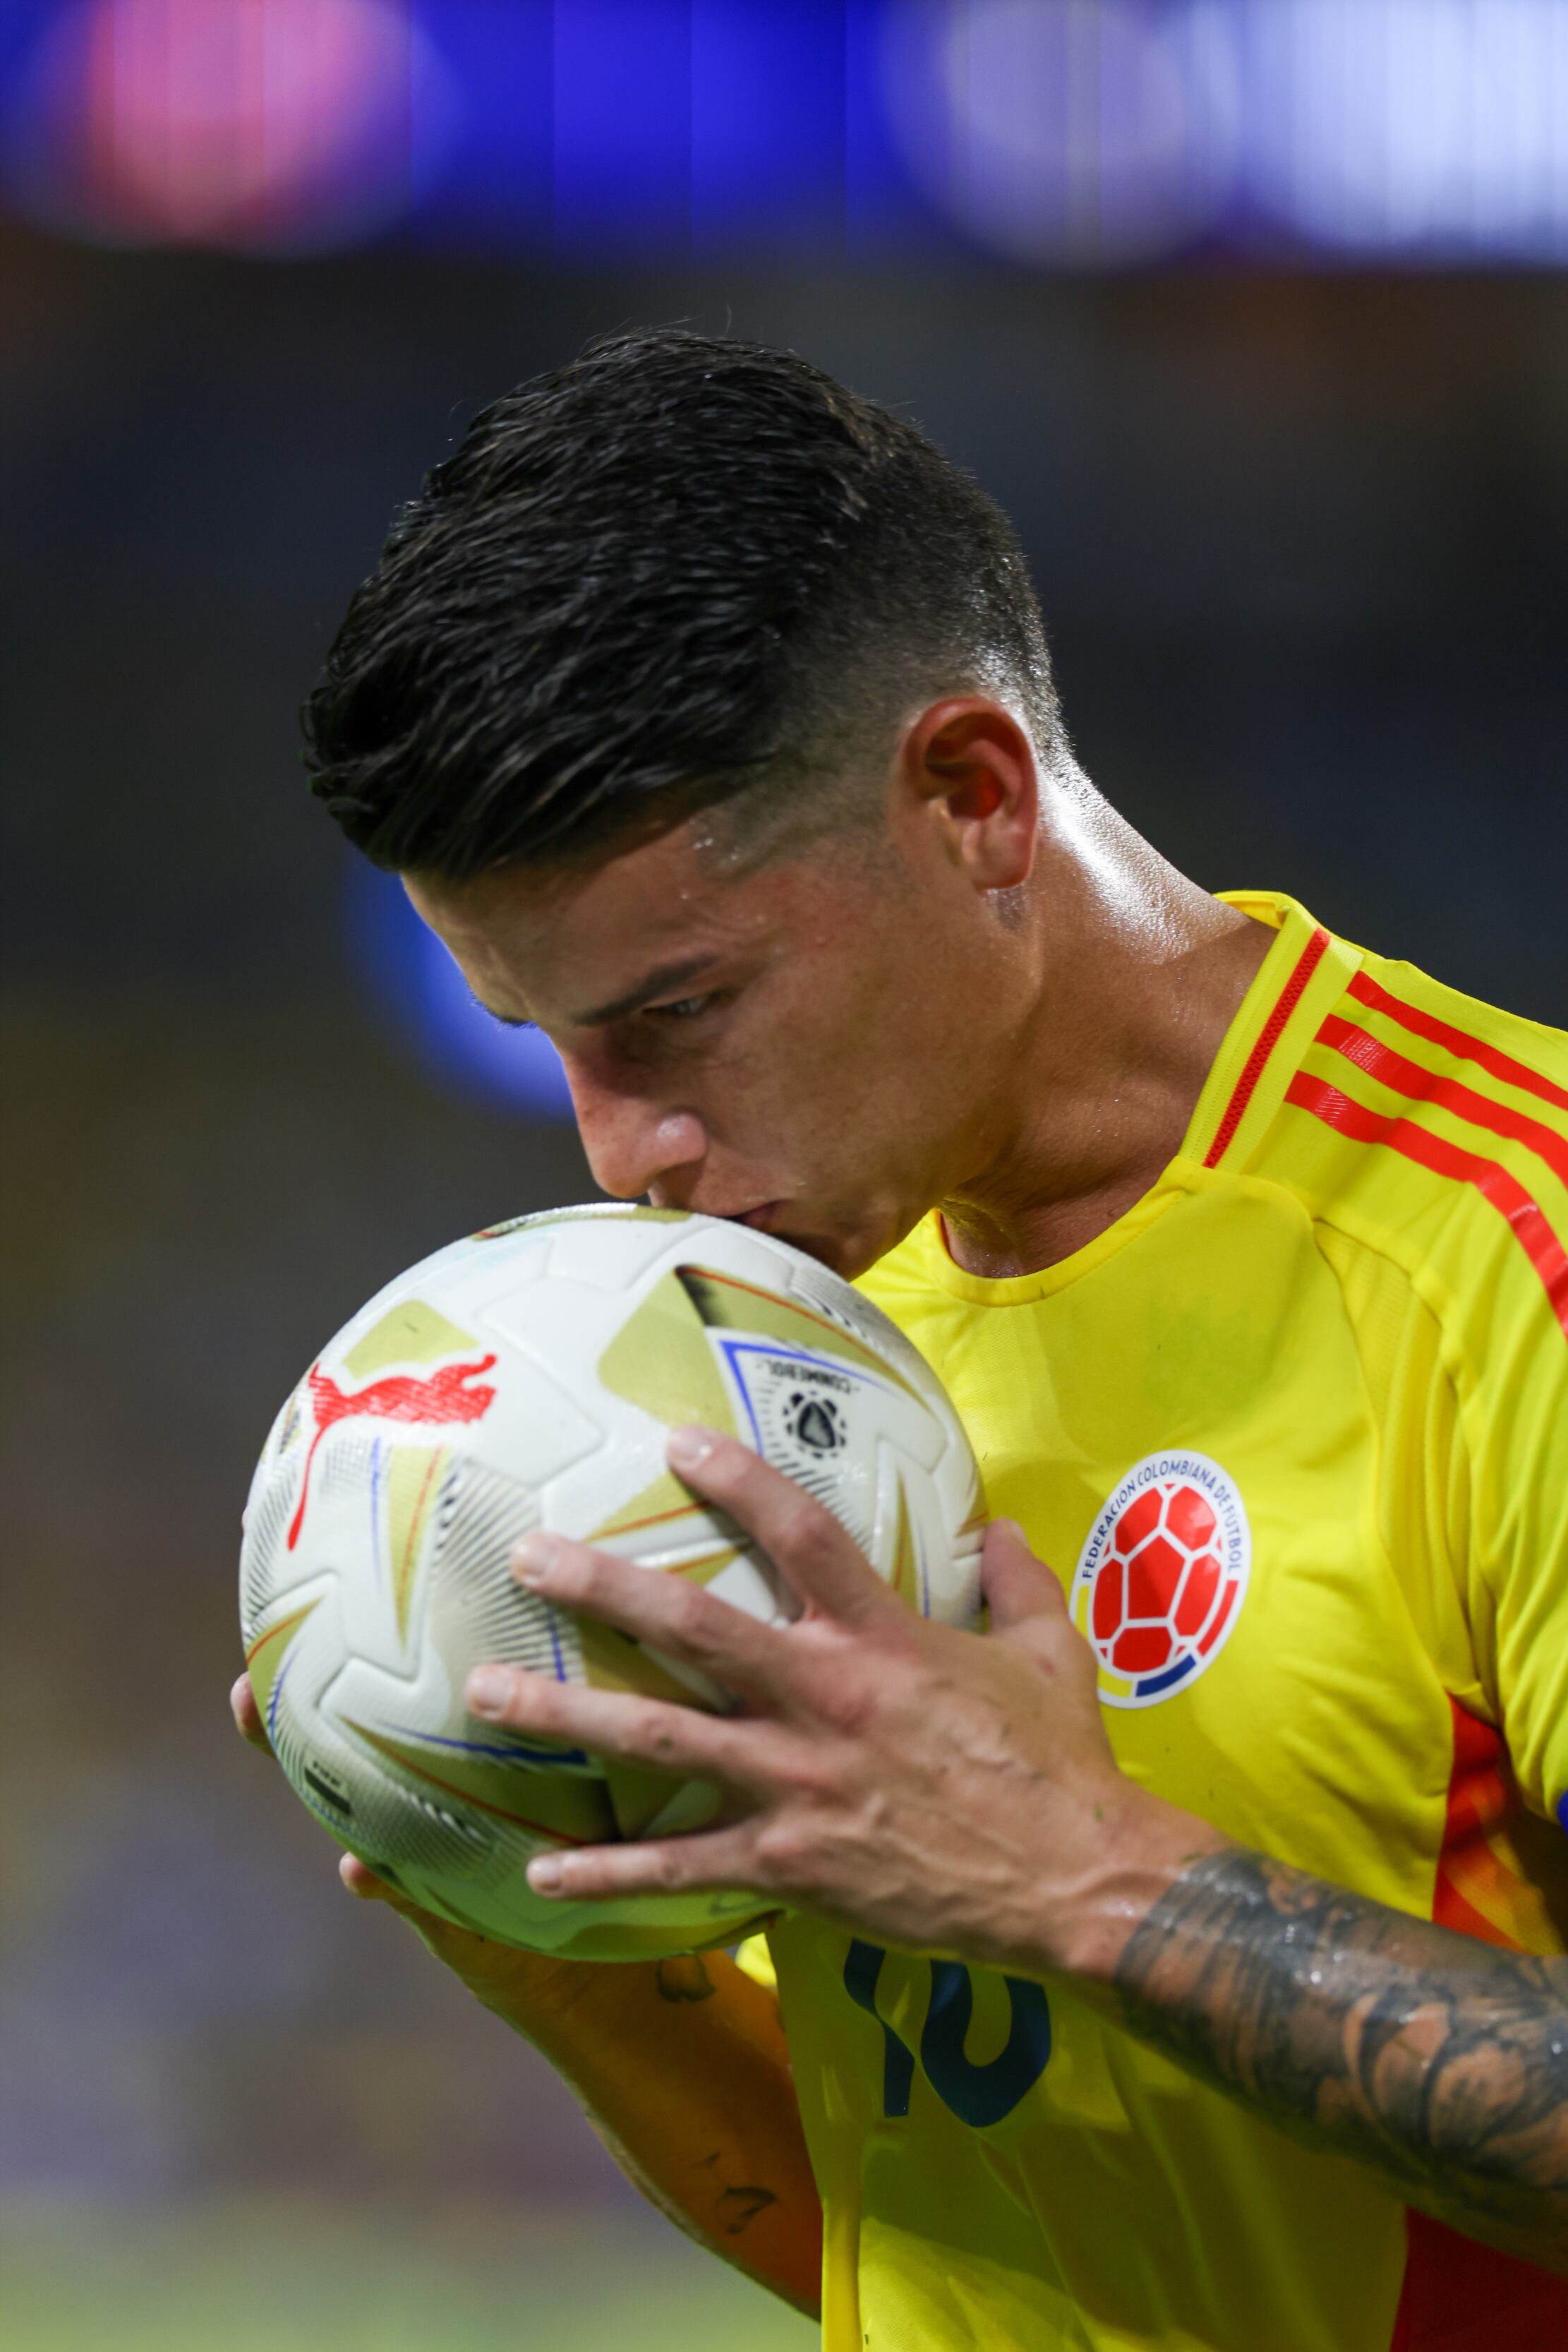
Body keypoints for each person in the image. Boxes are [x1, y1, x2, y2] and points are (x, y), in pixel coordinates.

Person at [232, 330, 1568, 2351]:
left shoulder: (1506, 1256)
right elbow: (938, 2219)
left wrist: (1091, 1882)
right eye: (551, 1048)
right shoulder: (755, 1347)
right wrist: (545, 1948)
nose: (624, 1153)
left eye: (673, 1011)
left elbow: (1057, 1898)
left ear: (971, 795)